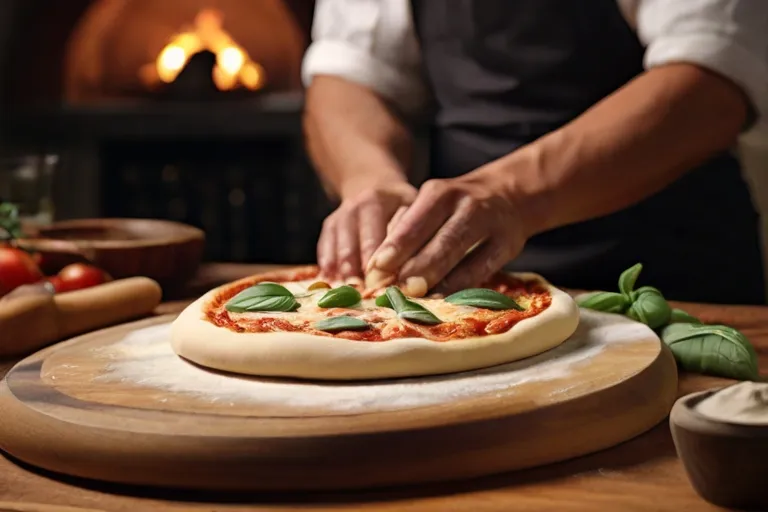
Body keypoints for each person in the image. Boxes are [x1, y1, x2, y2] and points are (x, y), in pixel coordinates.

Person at [301, 0, 768, 304]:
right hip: (459, 291)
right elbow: (351, 71)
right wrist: (368, 178)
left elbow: (712, 80)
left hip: (670, 280)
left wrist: (510, 196)